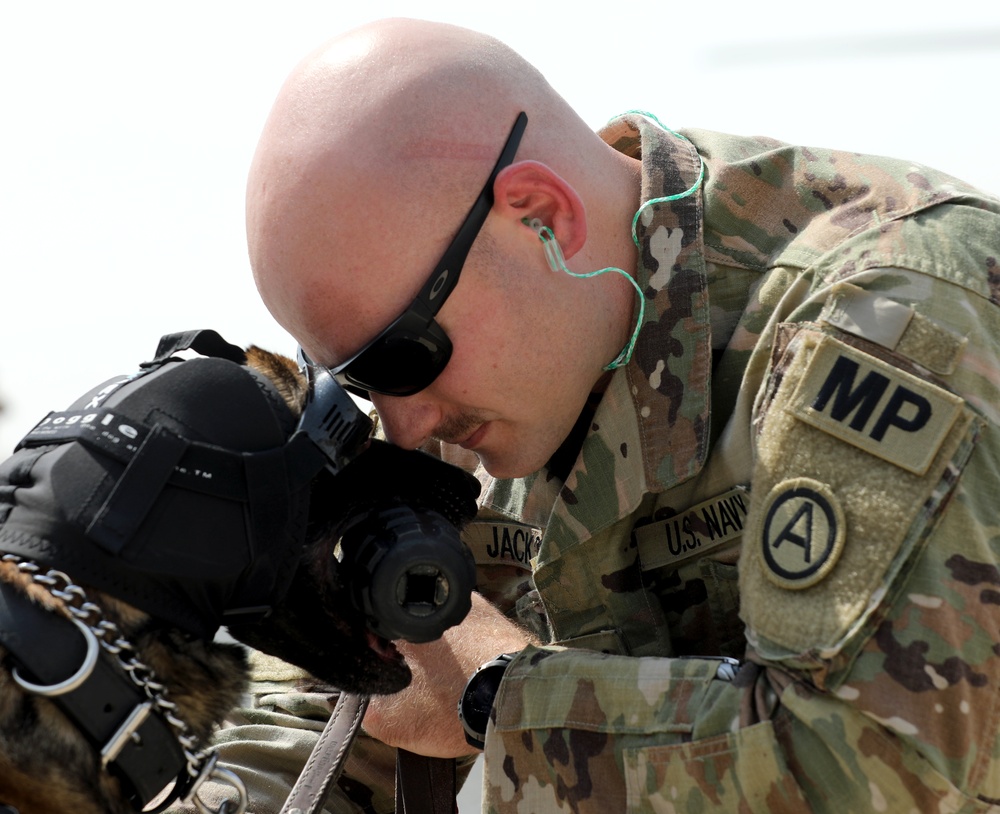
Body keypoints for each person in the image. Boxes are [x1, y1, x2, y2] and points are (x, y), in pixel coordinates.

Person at [194, 17, 1000, 813]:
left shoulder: (886, 312)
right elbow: (324, 721)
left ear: (544, 217)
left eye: (405, 356)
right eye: (362, 382)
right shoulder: (485, 389)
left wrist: (496, 700)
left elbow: (878, 768)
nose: (407, 426)